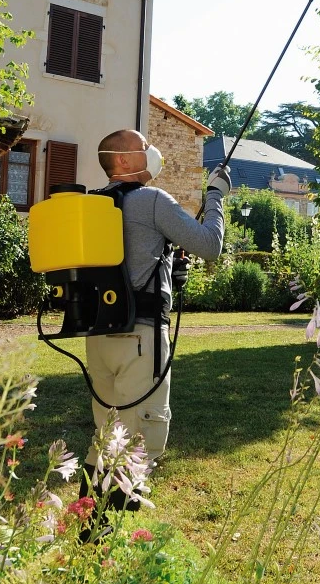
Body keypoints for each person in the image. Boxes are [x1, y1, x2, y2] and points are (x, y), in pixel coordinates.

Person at [84, 127, 231, 499]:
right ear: (122, 160)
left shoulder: (94, 205)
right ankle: (108, 545)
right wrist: (215, 196)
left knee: (106, 440)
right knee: (137, 444)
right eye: (144, 146)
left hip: (99, 338)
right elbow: (210, 245)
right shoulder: (150, 200)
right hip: (141, 338)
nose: (153, 151)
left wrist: (167, 269)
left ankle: (86, 535)